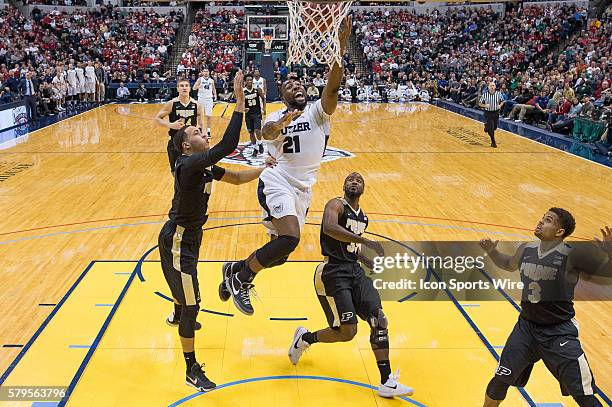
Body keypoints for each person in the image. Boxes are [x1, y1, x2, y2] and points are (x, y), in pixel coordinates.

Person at [219, 16, 353, 316]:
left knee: (280, 255)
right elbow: (266, 134)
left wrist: (340, 45)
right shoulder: (273, 117)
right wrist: (282, 122)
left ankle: (235, 268)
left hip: (303, 190)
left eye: (299, 82)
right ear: (283, 94)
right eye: (290, 84)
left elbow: (331, 90)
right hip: (276, 181)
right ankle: (240, 278)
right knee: (291, 237)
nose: (297, 86)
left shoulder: (318, 113)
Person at [158, 71, 276, 392]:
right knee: (193, 305)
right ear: (186, 145)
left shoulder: (201, 166)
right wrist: (239, 102)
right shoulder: (187, 164)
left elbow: (236, 179)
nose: (202, 132)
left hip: (189, 238)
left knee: (186, 300)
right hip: (179, 241)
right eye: (197, 131)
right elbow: (228, 144)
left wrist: (264, 168)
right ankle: (191, 368)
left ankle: (177, 311)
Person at [288, 173, 414, 399]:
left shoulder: (362, 217)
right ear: (344, 186)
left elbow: (350, 247)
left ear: (364, 188)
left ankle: (386, 381)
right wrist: (365, 241)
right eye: (350, 179)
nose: (354, 181)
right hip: (333, 272)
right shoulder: (336, 205)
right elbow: (329, 228)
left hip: (354, 271)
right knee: (347, 332)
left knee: (379, 319)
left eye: (359, 180)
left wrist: (367, 261)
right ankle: (305, 339)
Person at [480, 209, 611, 407]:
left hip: (559, 332)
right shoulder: (526, 249)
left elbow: (605, 276)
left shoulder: (571, 255)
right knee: (499, 382)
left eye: (548, 220)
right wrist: (492, 251)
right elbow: (508, 264)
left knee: (584, 396)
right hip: (526, 328)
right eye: (542, 218)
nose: (541, 222)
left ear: (560, 232)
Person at [155, 79, 204, 173]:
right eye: (181, 86)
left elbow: (202, 123)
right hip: (175, 142)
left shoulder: (197, 105)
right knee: (175, 173)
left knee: (193, 172)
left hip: (191, 143)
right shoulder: (171, 103)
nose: (184, 88)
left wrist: (203, 136)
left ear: (190, 88)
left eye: (186, 85)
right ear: (177, 89)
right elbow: (158, 118)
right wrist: (170, 125)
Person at [244, 73, 266, 157]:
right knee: (251, 132)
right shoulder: (243, 91)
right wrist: (243, 108)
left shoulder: (257, 89)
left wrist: (264, 109)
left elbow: (263, 99)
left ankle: (260, 143)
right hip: (248, 115)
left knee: (257, 130)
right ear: (245, 81)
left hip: (257, 113)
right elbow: (240, 102)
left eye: (250, 80)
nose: (249, 81)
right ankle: (255, 148)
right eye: (248, 80)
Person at [479, 82, 505, 148]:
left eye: (493, 85)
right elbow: (480, 104)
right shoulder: (485, 95)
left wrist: (500, 105)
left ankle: (486, 126)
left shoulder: (498, 94)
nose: (492, 87)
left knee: (495, 127)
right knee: (491, 128)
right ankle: (493, 142)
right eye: (490, 85)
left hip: (496, 112)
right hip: (488, 113)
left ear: (495, 87)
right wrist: (485, 105)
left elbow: (502, 101)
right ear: (488, 87)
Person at [193, 69, 217, 136]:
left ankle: (208, 131)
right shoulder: (200, 79)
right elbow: (193, 88)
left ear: (209, 72)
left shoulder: (211, 80)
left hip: (209, 99)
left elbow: (214, 89)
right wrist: (198, 86)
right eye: (204, 71)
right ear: (202, 72)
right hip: (201, 99)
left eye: (207, 71)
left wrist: (215, 95)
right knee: (199, 115)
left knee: (209, 116)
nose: (206, 73)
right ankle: (200, 128)